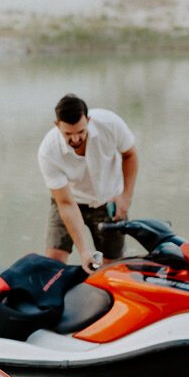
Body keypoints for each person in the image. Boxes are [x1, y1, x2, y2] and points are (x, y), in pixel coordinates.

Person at [37, 94, 138, 272]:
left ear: (88, 120)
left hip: (108, 201)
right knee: (53, 264)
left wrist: (126, 197)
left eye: (81, 132)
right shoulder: (48, 151)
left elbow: (129, 155)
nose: (75, 139)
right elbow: (66, 204)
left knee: (111, 269)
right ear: (57, 125)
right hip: (70, 200)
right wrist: (84, 252)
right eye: (68, 134)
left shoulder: (111, 124)